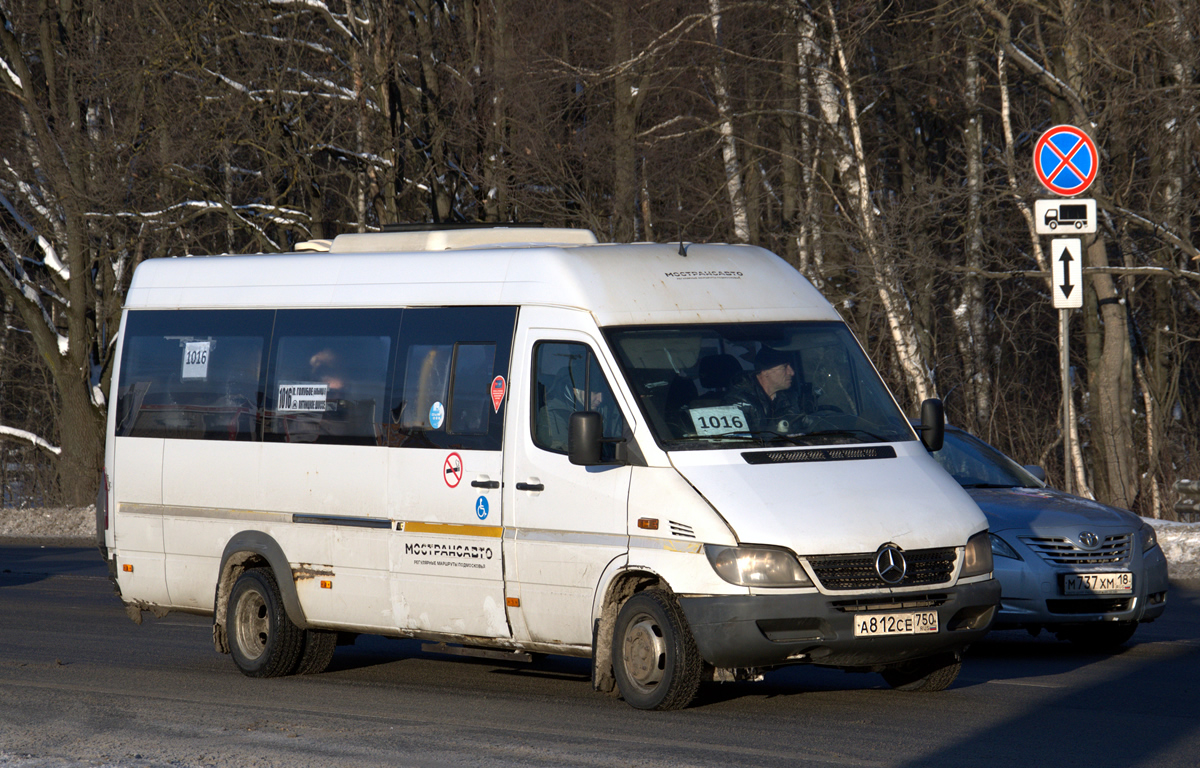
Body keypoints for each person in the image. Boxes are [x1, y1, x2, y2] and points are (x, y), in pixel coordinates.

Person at [723, 346, 803, 433]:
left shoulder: (791, 397)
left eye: (790, 366)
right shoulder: (738, 401)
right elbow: (741, 441)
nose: (791, 372)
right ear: (765, 371)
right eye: (784, 367)